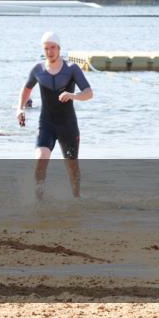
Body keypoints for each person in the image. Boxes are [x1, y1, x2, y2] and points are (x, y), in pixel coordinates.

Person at [17, 32, 93, 198]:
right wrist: (20, 108)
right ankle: (39, 200)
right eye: (46, 48)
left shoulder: (71, 69)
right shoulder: (38, 69)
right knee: (40, 159)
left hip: (68, 125)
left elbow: (89, 93)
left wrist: (73, 96)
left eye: (53, 48)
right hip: (46, 124)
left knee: (72, 166)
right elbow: (26, 89)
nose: (49, 51)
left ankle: (76, 198)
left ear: (59, 48)